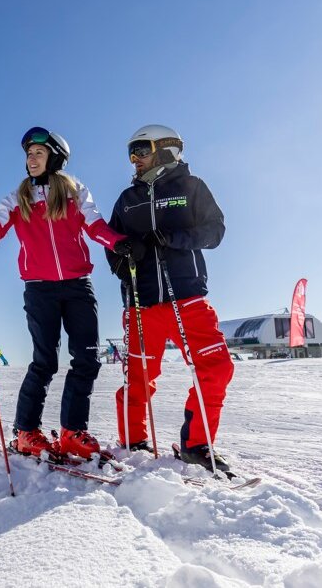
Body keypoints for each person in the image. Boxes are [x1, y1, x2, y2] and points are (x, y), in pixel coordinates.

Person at [0, 126, 139, 460]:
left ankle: (73, 431)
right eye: (28, 154)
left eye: (38, 153)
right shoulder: (18, 198)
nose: (31, 160)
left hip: (78, 287)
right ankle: (26, 433)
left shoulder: (75, 191)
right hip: (39, 290)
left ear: (55, 158)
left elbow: (95, 225)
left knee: (86, 359)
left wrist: (120, 243)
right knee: (44, 361)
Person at [105, 124, 234, 473]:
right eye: (131, 153)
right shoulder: (126, 200)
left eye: (141, 150)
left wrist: (173, 238)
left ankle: (196, 445)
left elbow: (215, 230)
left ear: (165, 149)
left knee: (216, 368)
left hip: (188, 299)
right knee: (138, 379)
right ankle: (133, 443)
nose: (134, 159)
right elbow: (111, 247)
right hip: (141, 305)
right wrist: (125, 255)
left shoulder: (191, 187)